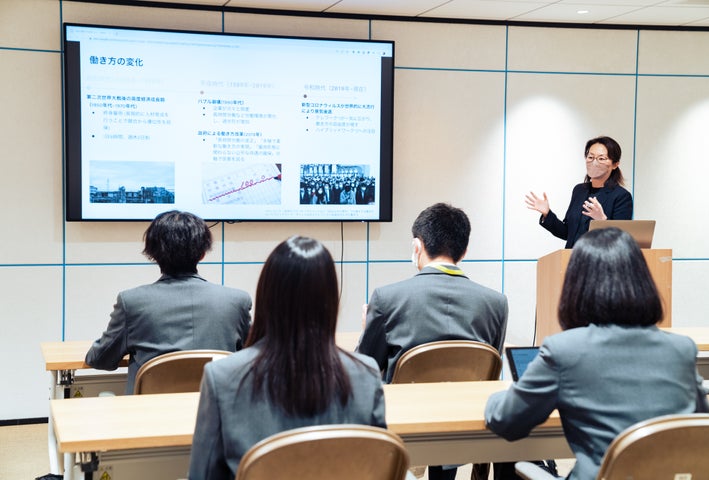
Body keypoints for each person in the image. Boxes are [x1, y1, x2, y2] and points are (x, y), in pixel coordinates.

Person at [484, 227, 709, 480]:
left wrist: (494, 397)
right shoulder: (682, 349)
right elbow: (701, 423)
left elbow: (507, 421)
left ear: (577, 287)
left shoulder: (564, 350)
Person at [188, 236, 386, 480]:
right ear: (330, 300)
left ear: (266, 295)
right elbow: (378, 466)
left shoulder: (222, 378)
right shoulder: (367, 374)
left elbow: (203, 475)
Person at [357, 202, 509, 480]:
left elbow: (365, 368)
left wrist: (369, 327)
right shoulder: (496, 303)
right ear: (464, 251)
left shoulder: (387, 298)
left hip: (403, 427)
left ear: (417, 246)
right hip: (466, 424)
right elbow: (491, 372)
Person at [85, 210, 252, 394]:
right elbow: (252, 358)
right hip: (215, 413)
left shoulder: (131, 302)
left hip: (151, 416)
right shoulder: (236, 301)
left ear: (153, 254)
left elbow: (100, 359)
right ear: (203, 253)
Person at [526, 135, 633, 248]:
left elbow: (620, 241)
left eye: (601, 159)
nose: (594, 163)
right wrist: (547, 214)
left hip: (600, 262)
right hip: (574, 259)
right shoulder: (579, 191)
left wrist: (602, 220)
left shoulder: (621, 196)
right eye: (590, 157)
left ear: (615, 164)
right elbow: (567, 233)